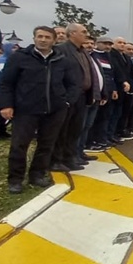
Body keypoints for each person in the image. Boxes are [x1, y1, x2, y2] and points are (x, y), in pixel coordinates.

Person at [0, 26, 79, 193]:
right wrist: (6, 105)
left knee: (46, 144)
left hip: (54, 110)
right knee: (19, 145)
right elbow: (6, 83)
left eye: (47, 37)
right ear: (34, 38)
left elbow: (73, 84)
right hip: (26, 110)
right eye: (40, 36)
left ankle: (37, 175)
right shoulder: (20, 57)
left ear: (54, 40)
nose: (43, 40)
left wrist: (66, 102)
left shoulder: (62, 60)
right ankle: (15, 180)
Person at [53, 23, 99, 171]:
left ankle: (70, 158)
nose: (87, 34)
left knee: (75, 130)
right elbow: (56, 75)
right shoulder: (61, 49)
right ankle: (56, 160)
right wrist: (64, 96)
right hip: (68, 97)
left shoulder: (83, 51)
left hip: (82, 97)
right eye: (83, 32)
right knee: (62, 130)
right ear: (72, 33)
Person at [0, 42, 16, 140]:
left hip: (3, 91)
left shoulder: (10, 60)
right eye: (13, 48)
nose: (15, 50)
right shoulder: (1, 61)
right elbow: (6, 72)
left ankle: (2, 131)